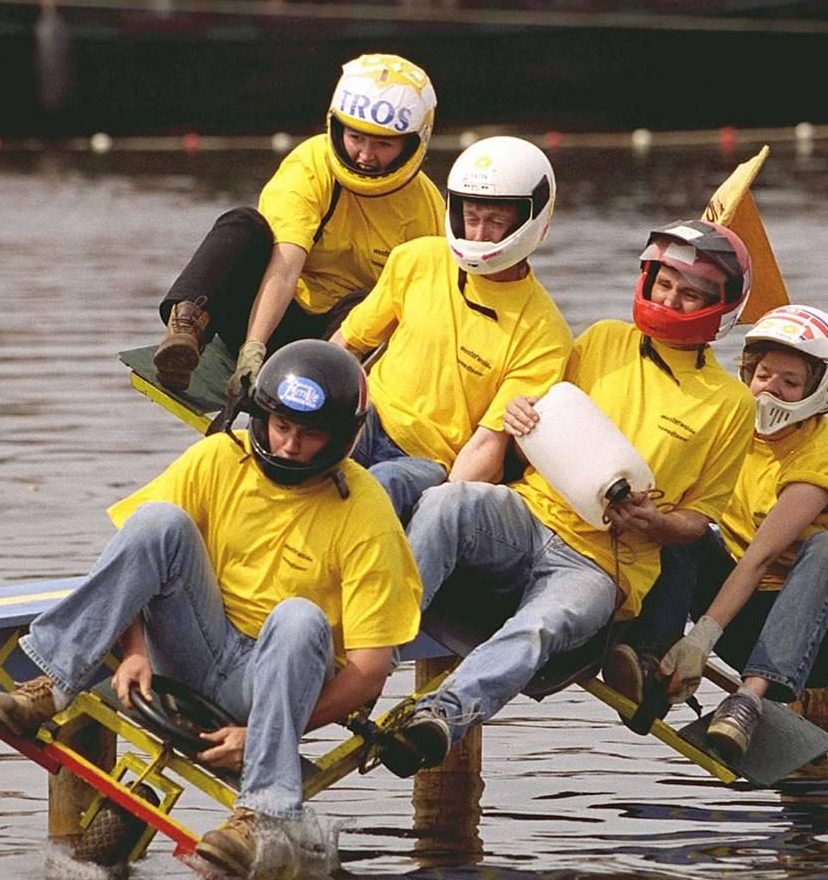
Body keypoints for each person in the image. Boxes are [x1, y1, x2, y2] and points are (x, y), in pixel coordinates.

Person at [0, 341, 422, 878]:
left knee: (298, 618)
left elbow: (369, 669)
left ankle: (260, 813)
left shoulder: (366, 511)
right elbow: (138, 555)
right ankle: (53, 684)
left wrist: (271, 735)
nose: (289, 446)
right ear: (261, 416)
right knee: (159, 523)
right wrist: (133, 652)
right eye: (280, 426)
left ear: (340, 438)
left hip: (272, 687)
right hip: (195, 650)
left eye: (309, 434)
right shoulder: (219, 457)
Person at [383, 219, 756, 776]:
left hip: (603, 565)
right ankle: (371, 650)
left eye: (691, 293)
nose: (671, 299)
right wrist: (518, 414)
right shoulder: (603, 338)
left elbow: (700, 522)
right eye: (664, 284)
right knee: (449, 503)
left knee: (543, 625)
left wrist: (655, 522)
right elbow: (545, 412)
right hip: (528, 515)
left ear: (719, 307)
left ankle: (442, 716)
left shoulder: (731, 404)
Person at [152, 53, 443, 397]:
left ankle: (313, 399)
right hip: (266, 315)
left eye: (383, 144)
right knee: (242, 224)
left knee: (366, 304)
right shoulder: (310, 163)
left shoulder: (426, 208)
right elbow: (286, 266)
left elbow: (423, 312)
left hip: (338, 345)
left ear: (412, 143)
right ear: (337, 126)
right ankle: (187, 329)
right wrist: (253, 350)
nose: (365, 155)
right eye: (356, 138)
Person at [330, 135, 574, 522]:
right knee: (318, 458)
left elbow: (488, 445)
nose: (478, 235)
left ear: (532, 220)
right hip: (369, 416)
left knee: (382, 482)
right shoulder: (415, 259)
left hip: (430, 459)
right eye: (472, 218)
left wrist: (439, 515)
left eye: (495, 222)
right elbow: (345, 345)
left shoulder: (545, 334)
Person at [639, 304, 828, 760]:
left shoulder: (819, 447)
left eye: (790, 382)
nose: (773, 390)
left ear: (816, 390)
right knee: (683, 527)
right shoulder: (730, 427)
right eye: (764, 374)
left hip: (815, 634)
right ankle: (652, 662)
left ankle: (749, 699)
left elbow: (758, 558)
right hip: (745, 617)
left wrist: (702, 639)